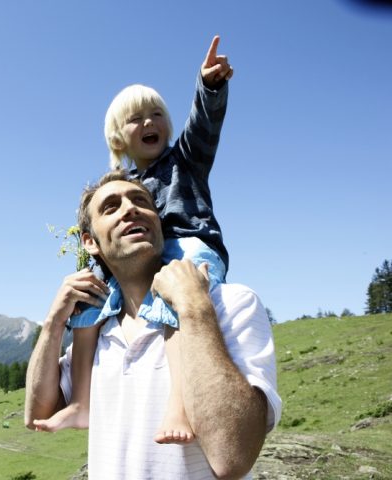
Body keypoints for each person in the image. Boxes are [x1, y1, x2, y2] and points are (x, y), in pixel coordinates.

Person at [32, 36, 233, 444]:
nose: (149, 123)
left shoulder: (185, 160)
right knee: (89, 293)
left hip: (190, 245)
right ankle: (83, 401)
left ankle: (180, 400)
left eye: (156, 114)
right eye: (136, 119)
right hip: (144, 259)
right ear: (118, 139)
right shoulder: (125, 184)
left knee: (174, 293)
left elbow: (204, 126)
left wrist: (208, 87)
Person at [24, 172, 281, 479]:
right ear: (90, 242)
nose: (130, 209)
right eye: (110, 207)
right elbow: (37, 413)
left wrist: (194, 309)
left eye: (140, 201)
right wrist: (54, 321)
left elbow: (233, 458)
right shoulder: (95, 331)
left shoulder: (230, 304)